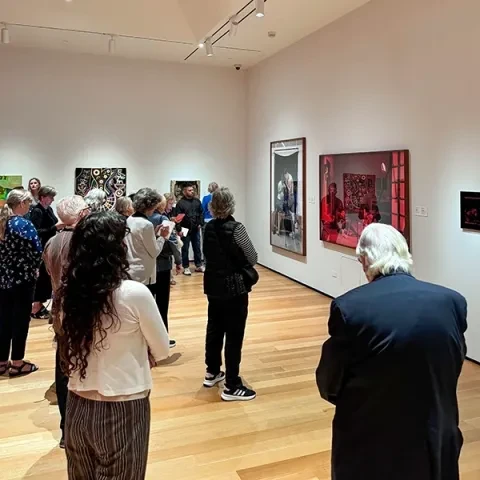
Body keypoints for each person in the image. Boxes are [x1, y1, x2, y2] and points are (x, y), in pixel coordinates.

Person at [316, 223, 467, 480]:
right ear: (405, 254)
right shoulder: (452, 301)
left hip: (372, 444)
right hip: (436, 437)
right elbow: (453, 362)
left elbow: (329, 384)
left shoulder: (349, 308)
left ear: (364, 261)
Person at [56, 211, 170, 479]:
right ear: (117, 248)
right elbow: (162, 349)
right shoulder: (134, 293)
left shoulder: (69, 291)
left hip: (78, 404)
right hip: (124, 404)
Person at [203, 187, 258, 401]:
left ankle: (212, 371)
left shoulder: (207, 228)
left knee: (214, 328)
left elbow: (208, 255)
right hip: (234, 287)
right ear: (231, 205)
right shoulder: (237, 228)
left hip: (213, 285)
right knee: (234, 334)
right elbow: (252, 258)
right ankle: (232, 384)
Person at [43, 195, 89, 449]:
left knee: (63, 367)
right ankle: (77, 426)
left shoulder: (52, 242)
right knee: (80, 367)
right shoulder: (82, 242)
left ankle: (66, 428)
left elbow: (51, 274)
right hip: (80, 313)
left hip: (61, 314)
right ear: (81, 215)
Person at [0, 189, 42, 377]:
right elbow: (36, 251)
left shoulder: (2, 223)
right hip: (23, 279)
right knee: (20, 321)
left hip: (3, 279)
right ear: (22, 203)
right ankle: (17, 362)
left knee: (3, 320)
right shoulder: (23, 224)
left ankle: (1, 362)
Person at [149, 196, 182, 348]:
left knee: (148, 305)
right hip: (162, 265)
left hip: (147, 268)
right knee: (162, 304)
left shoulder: (142, 219)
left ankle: (147, 339)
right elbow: (172, 241)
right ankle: (162, 339)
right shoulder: (163, 218)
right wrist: (179, 262)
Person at [125, 188, 170, 290]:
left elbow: (138, 240)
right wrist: (162, 237)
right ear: (150, 206)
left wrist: (154, 234)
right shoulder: (146, 224)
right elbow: (155, 252)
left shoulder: (130, 219)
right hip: (144, 272)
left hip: (130, 269)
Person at [30, 186, 63, 319]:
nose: (53, 199)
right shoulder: (37, 211)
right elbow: (36, 232)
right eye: (51, 197)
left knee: (46, 277)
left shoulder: (48, 209)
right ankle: (36, 306)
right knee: (42, 277)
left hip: (48, 247)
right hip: (41, 248)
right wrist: (54, 228)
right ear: (43, 197)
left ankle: (39, 305)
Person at [175, 184, 204, 276]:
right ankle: (186, 267)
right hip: (184, 228)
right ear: (184, 192)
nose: (192, 192)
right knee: (185, 248)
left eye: (192, 190)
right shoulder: (180, 203)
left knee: (197, 247)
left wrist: (200, 223)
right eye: (189, 190)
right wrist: (178, 229)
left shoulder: (197, 201)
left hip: (195, 228)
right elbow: (178, 217)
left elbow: (201, 213)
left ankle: (198, 265)